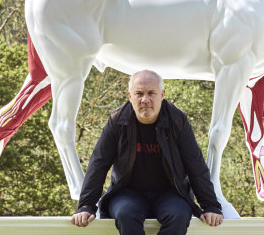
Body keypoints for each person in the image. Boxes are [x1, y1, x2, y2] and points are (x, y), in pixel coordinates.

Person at [71, 70, 223, 234]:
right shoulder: (117, 121)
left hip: (171, 193)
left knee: (178, 216)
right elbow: (98, 163)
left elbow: (195, 164)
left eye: (151, 93)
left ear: (162, 94)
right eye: (139, 93)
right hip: (127, 193)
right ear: (130, 96)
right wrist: (86, 205)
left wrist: (210, 206)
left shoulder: (177, 121)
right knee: (125, 215)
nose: (145, 99)